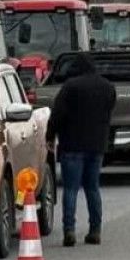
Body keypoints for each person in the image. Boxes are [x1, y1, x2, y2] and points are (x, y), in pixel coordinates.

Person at [44, 52, 116, 248]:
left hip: (72, 145)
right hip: (96, 145)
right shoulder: (107, 87)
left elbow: (57, 114)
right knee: (93, 188)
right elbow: (108, 113)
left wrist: (50, 135)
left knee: (71, 189)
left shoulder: (70, 87)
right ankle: (95, 230)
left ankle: (69, 230)